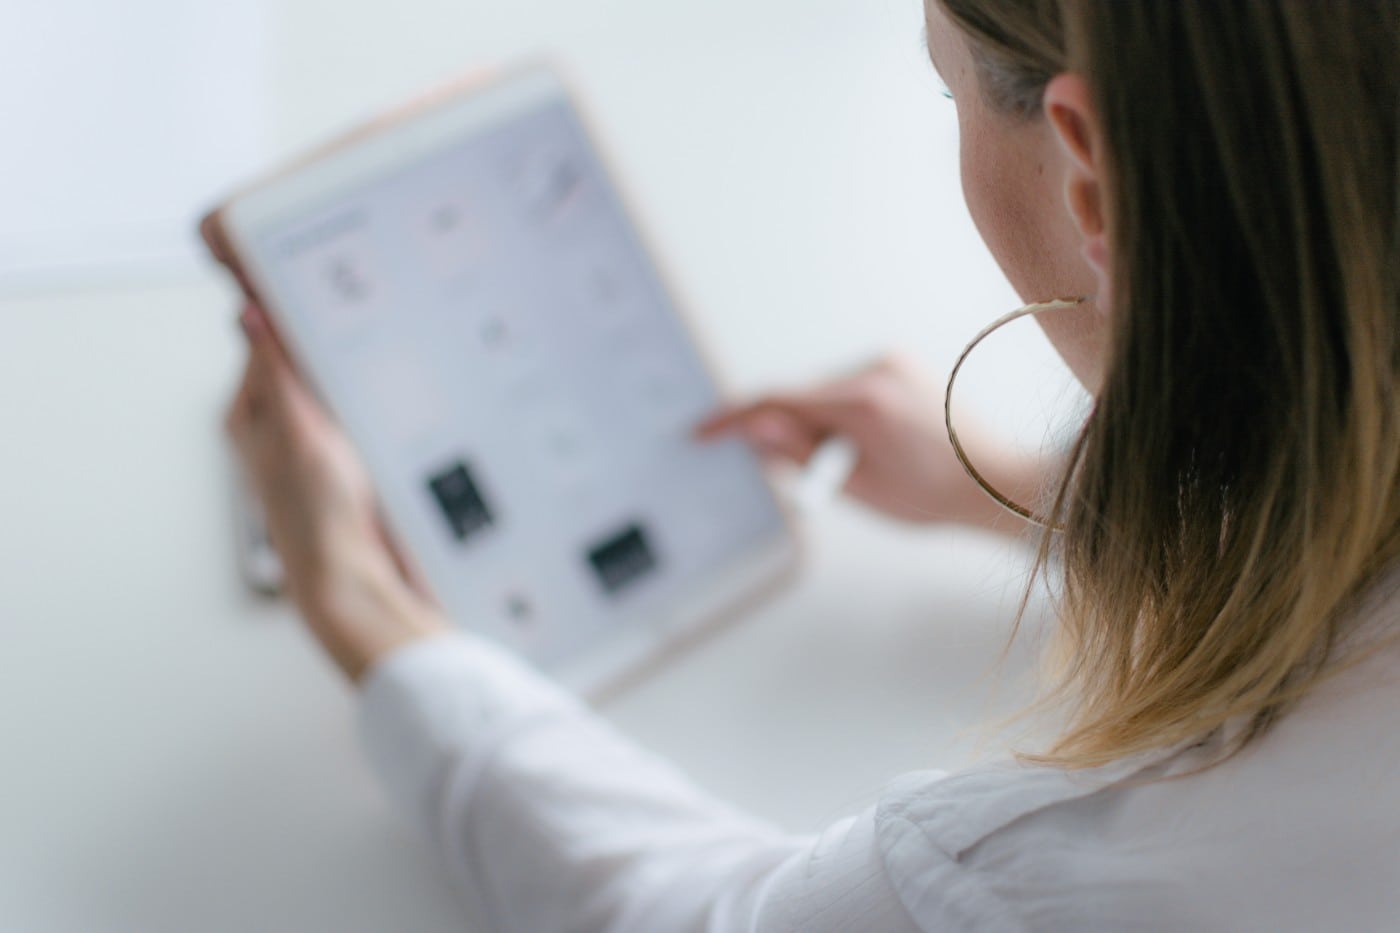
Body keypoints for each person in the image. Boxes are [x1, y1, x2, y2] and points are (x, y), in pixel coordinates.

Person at [226, 0, 1400, 929]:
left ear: (1088, 175)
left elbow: (679, 914)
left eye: (950, 88)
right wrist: (1000, 486)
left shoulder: (1065, 880)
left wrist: (360, 602)